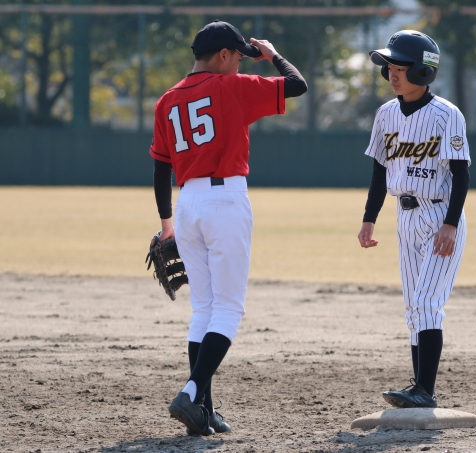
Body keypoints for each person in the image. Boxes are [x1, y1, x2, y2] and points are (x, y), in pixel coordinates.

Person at [149, 20, 307, 435]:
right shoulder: (231, 87)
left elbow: (161, 168)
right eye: (238, 56)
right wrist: (272, 55)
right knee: (229, 308)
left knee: (203, 309)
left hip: (187, 205)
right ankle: (190, 393)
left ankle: (202, 411)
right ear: (222, 55)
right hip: (225, 200)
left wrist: (167, 225)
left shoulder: (166, 100)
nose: (240, 63)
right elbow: (297, 85)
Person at [357, 30, 470, 409]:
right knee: (413, 308)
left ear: (423, 71)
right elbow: (379, 172)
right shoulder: (386, 114)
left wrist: (450, 224)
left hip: (439, 215)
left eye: (401, 66)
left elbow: (461, 175)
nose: (392, 73)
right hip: (404, 217)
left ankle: (425, 390)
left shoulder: (447, 115)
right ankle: (418, 387)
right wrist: (369, 219)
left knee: (426, 302)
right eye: (389, 66)